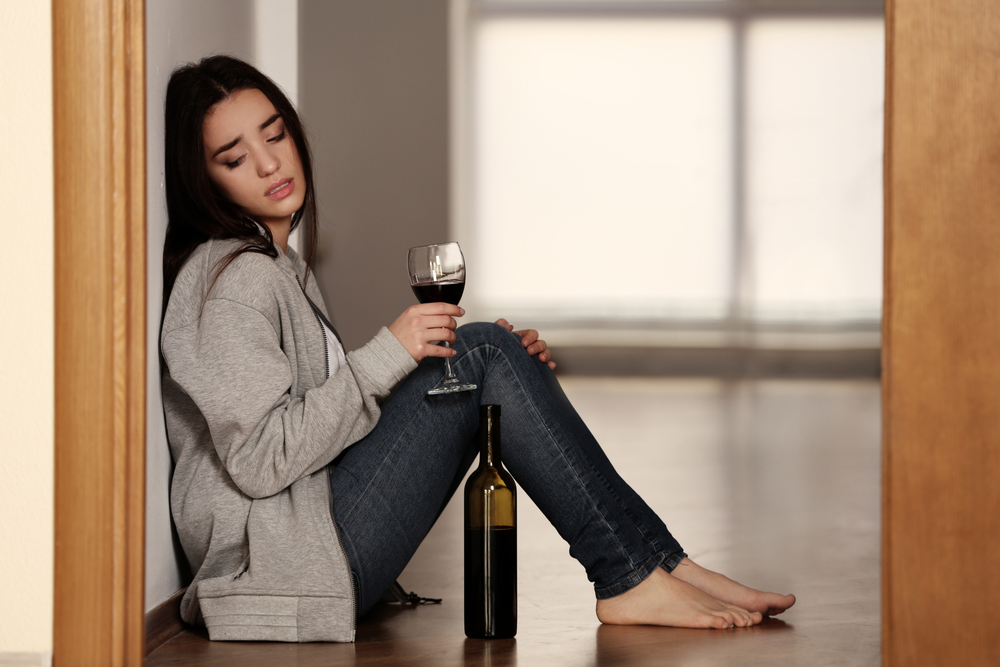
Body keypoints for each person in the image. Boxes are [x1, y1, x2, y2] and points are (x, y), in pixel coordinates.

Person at [160, 55, 795, 643]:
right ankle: (631, 576)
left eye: (275, 135)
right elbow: (260, 460)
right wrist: (392, 353)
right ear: (203, 180)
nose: (271, 164)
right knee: (483, 351)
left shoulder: (275, 265)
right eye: (235, 157)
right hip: (284, 573)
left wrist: (501, 375)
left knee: (493, 354)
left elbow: (320, 425)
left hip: (308, 547)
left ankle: (663, 565)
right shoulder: (233, 283)